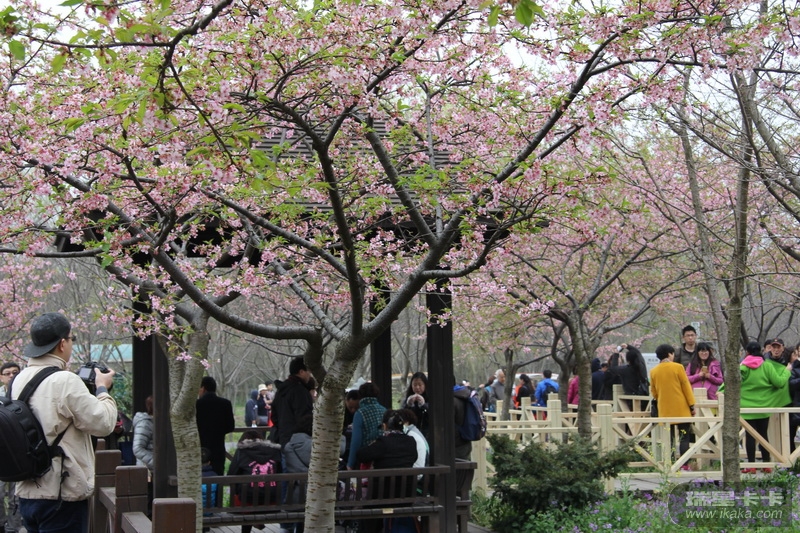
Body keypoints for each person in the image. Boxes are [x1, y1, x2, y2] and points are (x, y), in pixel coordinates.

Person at [12, 312, 117, 533]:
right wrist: (102, 389)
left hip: (27, 491)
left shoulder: (18, 379)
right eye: (71, 339)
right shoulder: (65, 380)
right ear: (62, 344)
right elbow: (103, 424)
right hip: (61, 493)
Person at [356, 410, 418, 533]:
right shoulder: (411, 441)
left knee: (367, 509)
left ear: (384, 426)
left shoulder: (383, 442)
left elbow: (361, 455)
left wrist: (373, 444)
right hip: (406, 496)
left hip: (381, 497)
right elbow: (414, 458)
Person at [739, 341, 790, 473]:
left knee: (750, 436)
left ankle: (751, 466)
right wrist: (787, 371)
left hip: (747, 407)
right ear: (761, 351)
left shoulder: (743, 367)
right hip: (764, 405)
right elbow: (779, 383)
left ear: (747, 352)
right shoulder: (767, 365)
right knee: (763, 435)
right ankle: (766, 464)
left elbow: (733, 383)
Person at [649, 343, 696, 468]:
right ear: (670, 354)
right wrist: (692, 405)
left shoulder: (653, 371)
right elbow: (686, 387)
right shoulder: (678, 367)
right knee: (684, 436)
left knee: (669, 438)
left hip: (664, 409)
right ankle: (684, 464)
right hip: (681, 408)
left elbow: (654, 392)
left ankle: (669, 463)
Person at [227, 429, 282, 533]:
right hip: (272, 502)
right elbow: (280, 472)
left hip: (247, 502)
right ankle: (258, 521)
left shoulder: (241, 452)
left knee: (246, 494)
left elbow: (231, 475)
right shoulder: (274, 451)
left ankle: (249, 527)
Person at [196, 376, 235, 477]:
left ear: (203, 388)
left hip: (200, 448)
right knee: (218, 475)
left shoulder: (197, 405)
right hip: (218, 447)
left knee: (200, 477)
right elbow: (230, 426)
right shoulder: (226, 404)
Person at [0, 361, 22, 533]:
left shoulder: (24, 394)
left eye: (15, 372)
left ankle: (14, 527)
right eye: (7, 373)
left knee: (17, 494)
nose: (11, 376)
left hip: (18, 452)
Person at [347, 382, 387, 469]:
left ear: (360, 396)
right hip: (383, 457)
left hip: (367, 459)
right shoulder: (384, 410)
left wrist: (350, 464)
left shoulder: (360, 413)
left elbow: (356, 441)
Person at [400, 372, 429, 437]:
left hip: (426, 433)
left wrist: (424, 405)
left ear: (425, 385)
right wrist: (408, 405)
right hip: (411, 433)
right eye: (415, 385)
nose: (417, 387)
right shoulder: (408, 398)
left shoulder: (430, 397)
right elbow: (401, 415)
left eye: (420, 385)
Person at [132, 396, 155, 474]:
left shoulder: (156, 422)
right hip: (147, 470)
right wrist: (156, 462)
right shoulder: (145, 424)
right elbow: (138, 448)